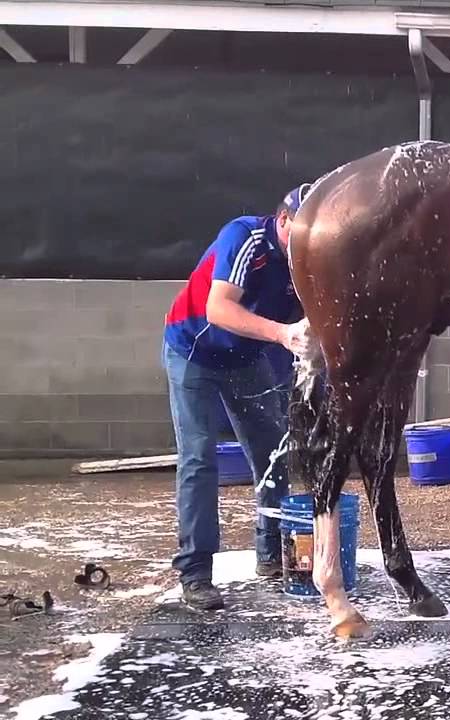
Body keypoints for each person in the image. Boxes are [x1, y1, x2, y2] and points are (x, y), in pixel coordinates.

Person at [162, 183, 315, 611]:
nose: (310, 241)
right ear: (283, 221)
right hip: (193, 349)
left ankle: (270, 555)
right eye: (302, 230)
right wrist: (285, 334)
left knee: (273, 452)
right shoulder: (246, 238)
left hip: (246, 357)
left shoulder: (309, 258)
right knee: (198, 458)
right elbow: (219, 309)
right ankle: (195, 573)